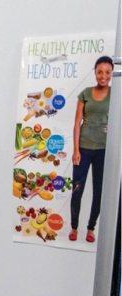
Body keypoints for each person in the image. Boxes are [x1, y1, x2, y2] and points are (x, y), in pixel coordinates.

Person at [69, 55, 113, 243]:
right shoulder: (85, 94)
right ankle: (74, 227)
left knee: (99, 192)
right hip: (84, 148)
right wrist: (76, 150)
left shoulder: (115, 93)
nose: (103, 76)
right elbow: (77, 122)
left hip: (104, 150)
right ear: (95, 72)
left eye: (107, 72)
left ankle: (90, 228)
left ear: (112, 74)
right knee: (77, 189)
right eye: (100, 72)